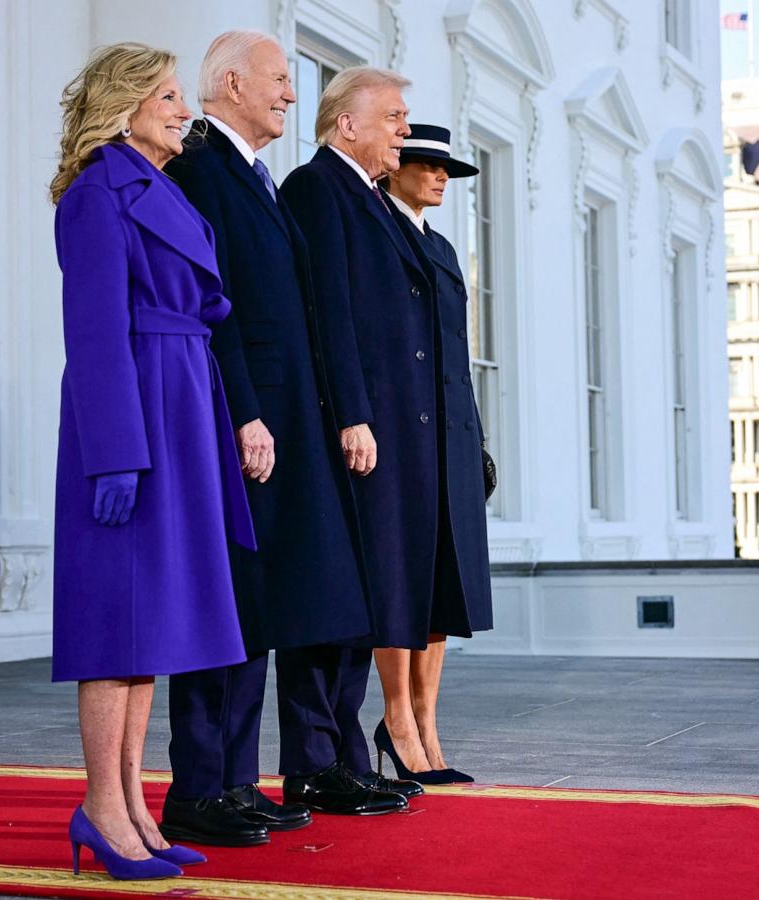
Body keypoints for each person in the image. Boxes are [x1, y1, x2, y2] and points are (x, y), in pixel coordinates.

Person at [160, 31, 402, 846]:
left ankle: (234, 779)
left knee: (260, 608)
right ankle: (200, 785)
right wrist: (243, 412)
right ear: (229, 82)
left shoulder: (254, 179)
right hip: (247, 422)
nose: (292, 96)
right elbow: (210, 301)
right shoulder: (199, 169)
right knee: (229, 603)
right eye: (280, 79)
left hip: (288, 421)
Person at [49, 42, 255, 881]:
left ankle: (131, 803)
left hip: (180, 403)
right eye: (166, 95)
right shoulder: (98, 191)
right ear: (124, 104)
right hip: (133, 416)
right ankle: (103, 807)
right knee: (115, 623)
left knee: (151, 624)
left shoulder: (155, 187)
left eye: (179, 95)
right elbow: (94, 333)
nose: (182, 108)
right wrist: (114, 457)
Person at [280, 67, 442, 800]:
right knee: (332, 596)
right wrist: (353, 413)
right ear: (348, 124)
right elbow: (329, 312)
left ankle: (345, 753)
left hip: (391, 431)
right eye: (394, 118)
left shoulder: (371, 197)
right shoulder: (317, 188)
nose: (403, 133)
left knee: (366, 595)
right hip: (351, 428)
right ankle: (316, 763)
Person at [376, 124, 494, 784]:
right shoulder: (375, 232)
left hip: (451, 431)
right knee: (403, 582)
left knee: (445, 584)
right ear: (396, 167)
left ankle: (427, 722)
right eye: (429, 164)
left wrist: (475, 441)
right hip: (398, 432)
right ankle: (397, 721)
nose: (442, 176)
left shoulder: (443, 247)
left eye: (448, 168)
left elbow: (458, 356)